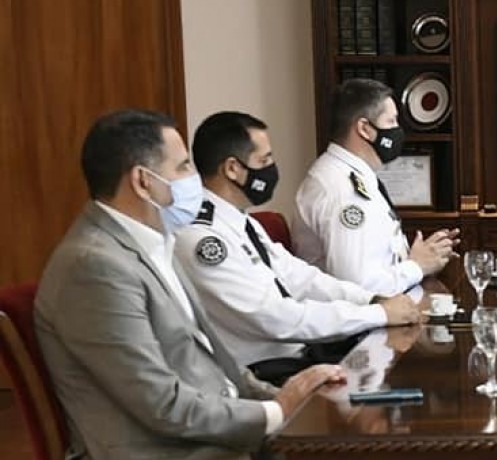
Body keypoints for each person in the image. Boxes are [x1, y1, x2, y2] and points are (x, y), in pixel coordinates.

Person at [34, 109, 345, 460]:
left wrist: (286, 400)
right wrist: (276, 412)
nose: (195, 179)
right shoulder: (94, 267)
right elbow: (160, 404)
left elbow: (218, 364)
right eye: (183, 167)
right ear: (143, 181)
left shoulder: (155, 240)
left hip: (214, 435)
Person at [173, 111, 420, 383]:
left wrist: (371, 300)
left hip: (298, 355)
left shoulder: (241, 221)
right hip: (261, 376)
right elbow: (277, 319)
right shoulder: (204, 239)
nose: (272, 168)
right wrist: (377, 314)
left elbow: (300, 277)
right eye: (264, 160)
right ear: (232, 169)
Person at [291, 78, 459, 299]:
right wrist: (417, 266)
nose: (398, 130)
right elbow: (359, 288)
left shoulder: (353, 175)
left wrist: (424, 257)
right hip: (365, 318)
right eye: (391, 121)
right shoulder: (342, 190)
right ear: (364, 129)